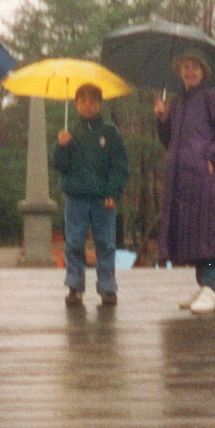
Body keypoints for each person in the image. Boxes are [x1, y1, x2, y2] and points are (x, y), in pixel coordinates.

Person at [154, 51, 215, 314]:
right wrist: (162, 118)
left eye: (195, 67)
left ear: (204, 71)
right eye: (185, 67)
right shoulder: (179, 101)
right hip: (183, 180)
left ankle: (212, 288)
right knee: (194, 234)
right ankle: (203, 286)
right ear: (179, 72)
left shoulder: (214, 94)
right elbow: (170, 142)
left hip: (206, 177)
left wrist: (212, 156)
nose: (189, 72)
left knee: (208, 233)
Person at [51, 82, 129, 307]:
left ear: (99, 104)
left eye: (93, 100)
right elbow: (60, 165)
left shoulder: (110, 132)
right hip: (76, 198)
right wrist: (61, 146)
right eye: (83, 100)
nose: (88, 105)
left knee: (105, 243)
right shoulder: (69, 131)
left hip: (103, 199)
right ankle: (75, 286)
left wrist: (113, 192)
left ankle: (107, 287)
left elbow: (119, 166)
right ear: (76, 104)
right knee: (74, 242)